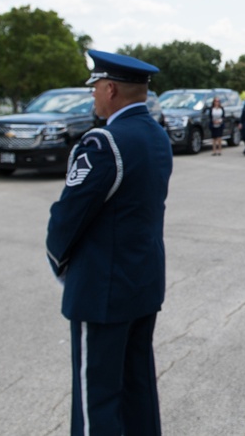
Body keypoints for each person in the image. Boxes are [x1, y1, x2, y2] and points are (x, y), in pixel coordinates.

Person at [46, 49, 172, 436]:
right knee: (137, 388)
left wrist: (59, 262)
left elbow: (68, 217)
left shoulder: (104, 143)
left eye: (96, 87)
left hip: (102, 289)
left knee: (96, 397)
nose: (93, 96)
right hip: (142, 282)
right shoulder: (156, 136)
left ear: (111, 88)